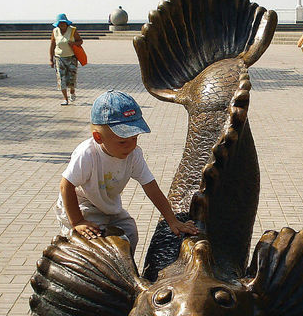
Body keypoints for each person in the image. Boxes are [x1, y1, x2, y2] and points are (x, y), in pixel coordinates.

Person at [55, 89, 199, 253]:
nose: (130, 146)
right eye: (122, 142)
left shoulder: (133, 154)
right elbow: (65, 186)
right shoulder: (87, 154)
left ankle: (125, 270)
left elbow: (151, 187)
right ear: (98, 137)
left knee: (130, 231)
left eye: (134, 138)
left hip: (108, 206)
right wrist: (77, 221)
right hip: (82, 206)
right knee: (97, 242)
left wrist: (172, 220)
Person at [49, 13, 83, 105]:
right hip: (59, 58)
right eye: (60, 23)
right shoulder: (55, 31)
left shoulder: (72, 30)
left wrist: (74, 44)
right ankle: (65, 99)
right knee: (61, 78)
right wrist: (51, 59)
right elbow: (52, 45)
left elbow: (80, 41)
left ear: (66, 23)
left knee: (71, 78)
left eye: (63, 23)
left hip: (71, 58)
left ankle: (72, 91)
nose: (62, 25)